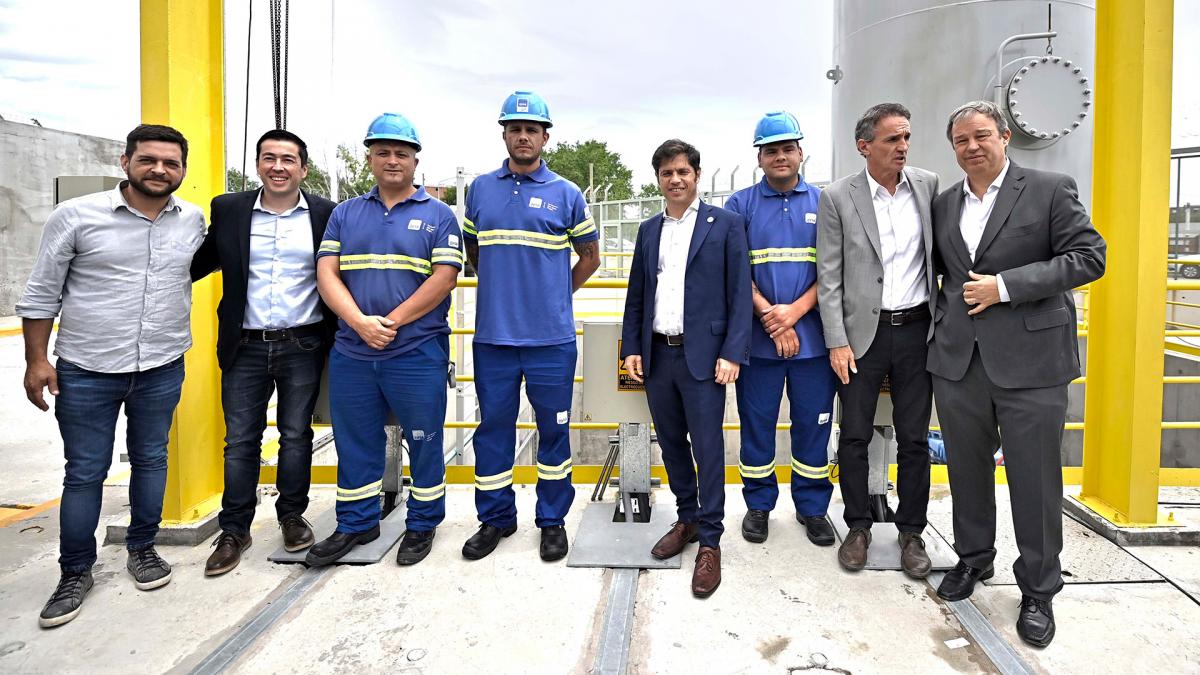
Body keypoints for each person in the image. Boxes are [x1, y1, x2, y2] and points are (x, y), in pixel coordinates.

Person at [929, 100, 1105, 647]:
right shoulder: (943, 204)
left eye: (982, 136)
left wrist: (1004, 286)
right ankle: (974, 558)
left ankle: (1038, 589)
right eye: (961, 140)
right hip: (960, 363)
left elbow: (1089, 257)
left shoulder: (1050, 188)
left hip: (1032, 364)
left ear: (1005, 137)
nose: (972, 147)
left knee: (1034, 479)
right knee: (966, 473)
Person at [18, 124, 205, 627]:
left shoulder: (192, 220)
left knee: (151, 459)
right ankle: (75, 570)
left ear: (183, 170)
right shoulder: (76, 216)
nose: (160, 170)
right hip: (87, 368)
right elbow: (41, 294)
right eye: (148, 160)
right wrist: (38, 360)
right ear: (126, 162)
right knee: (84, 473)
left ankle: (142, 547)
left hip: (161, 364)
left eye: (171, 163)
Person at [307, 113, 462, 567]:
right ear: (370, 158)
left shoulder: (438, 216)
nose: (392, 160)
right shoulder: (346, 213)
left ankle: (423, 523)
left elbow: (445, 277)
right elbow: (326, 273)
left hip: (416, 351)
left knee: (425, 438)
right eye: (383, 152)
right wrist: (358, 322)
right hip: (354, 352)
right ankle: (356, 523)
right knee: (355, 440)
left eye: (401, 153)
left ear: (416, 160)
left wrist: (387, 323)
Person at [191, 129, 338, 576]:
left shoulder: (325, 214)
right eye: (269, 158)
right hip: (245, 344)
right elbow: (197, 261)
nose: (278, 166)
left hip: (303, 342)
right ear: (258, 164)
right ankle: (234, 529)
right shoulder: (230, 209)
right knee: (240, 442)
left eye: (288, 159)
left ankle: (292, 516)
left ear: (303, 169)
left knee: (296, 437)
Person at [461, 90, 600, 562]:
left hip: (551, 341)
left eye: (532, 130)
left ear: (545, 137)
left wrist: (554, 297)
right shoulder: (480, 189)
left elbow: (590, 257)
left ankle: (552, 520)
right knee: (493, 429)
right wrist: (503, 290)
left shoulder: (566, 193)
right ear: (504, 133)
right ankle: (495, 518)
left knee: (554, 431)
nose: (524, 136)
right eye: (515, 128)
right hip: (494, 340)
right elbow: (473, 251)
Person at [621, 139, 751, 597]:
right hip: (659, 355)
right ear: (658, 179)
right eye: (666, 173)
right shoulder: (649, 230)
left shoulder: (727, 225)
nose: (675, 179)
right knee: (672, 444)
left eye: (683, 171)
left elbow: (739, 294)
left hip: (704, 357)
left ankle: (711, 541)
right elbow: (637, 294)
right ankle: (688, 519)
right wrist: (631, 348)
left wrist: (733, 352)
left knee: (708, 448)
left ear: (696, 175)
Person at [816, 103, 939, 578]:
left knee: (913, 438)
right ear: (864, 146)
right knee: (854, 435)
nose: (902, 147)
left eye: (906, 137)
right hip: (861, 337)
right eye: (892, 139)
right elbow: (829, 276)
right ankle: (858, 526)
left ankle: (912, 533)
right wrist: (837, 341)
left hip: (917, 333)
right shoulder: (838, 197)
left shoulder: (928, 187)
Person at [725, 112, 837, 546]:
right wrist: (773, 318)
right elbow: (735, 272)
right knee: (757, 424)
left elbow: (834, 269)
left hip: (813, 341)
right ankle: (758, 505)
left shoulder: (826, 202)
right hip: (759, 340)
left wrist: (793, 313)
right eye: (771, 150)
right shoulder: (741, 205)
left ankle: (813, 508)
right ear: (760, 157)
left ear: (801, 152)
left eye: (787, 148)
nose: (780, 156)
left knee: (814, 424)